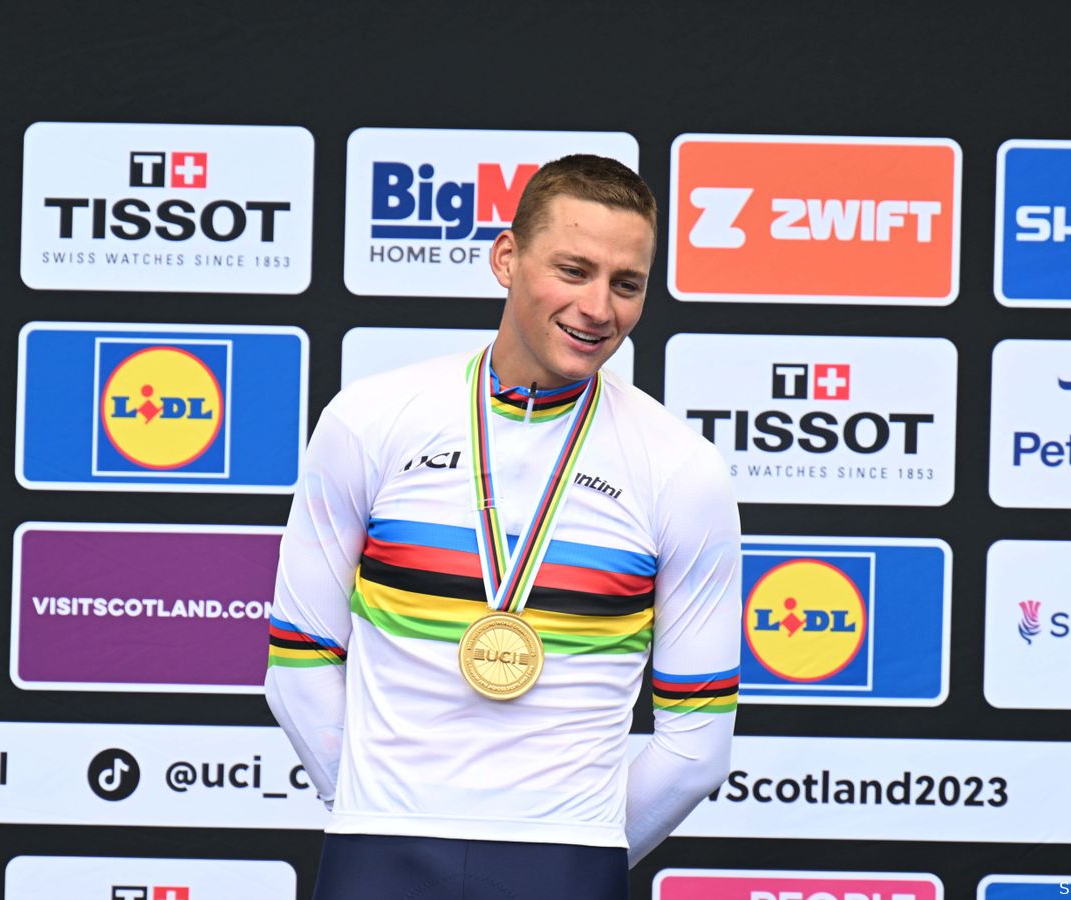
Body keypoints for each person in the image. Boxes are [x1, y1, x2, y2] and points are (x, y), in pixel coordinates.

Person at [265, 154, 741, 899]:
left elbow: (697, 747)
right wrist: (374, 810)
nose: (598, 308)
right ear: (506, 258)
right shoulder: (370, 420)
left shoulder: (682, 468)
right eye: (574, 270)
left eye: (627, 284)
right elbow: (297, 663)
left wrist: (577, 842)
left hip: (557, 859)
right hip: (385, 847)